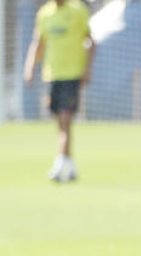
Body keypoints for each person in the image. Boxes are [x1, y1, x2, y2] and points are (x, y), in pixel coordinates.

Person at [23, 0, 94, 183]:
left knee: (65, 117)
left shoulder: (78, 10)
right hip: (51, 74)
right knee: (60, 122)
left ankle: (60, 162)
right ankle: (69, 163)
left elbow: (90, 42)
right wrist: (30, 67)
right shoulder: (45, 13)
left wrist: (87, 69)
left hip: (71, 74)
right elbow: (39, 42)